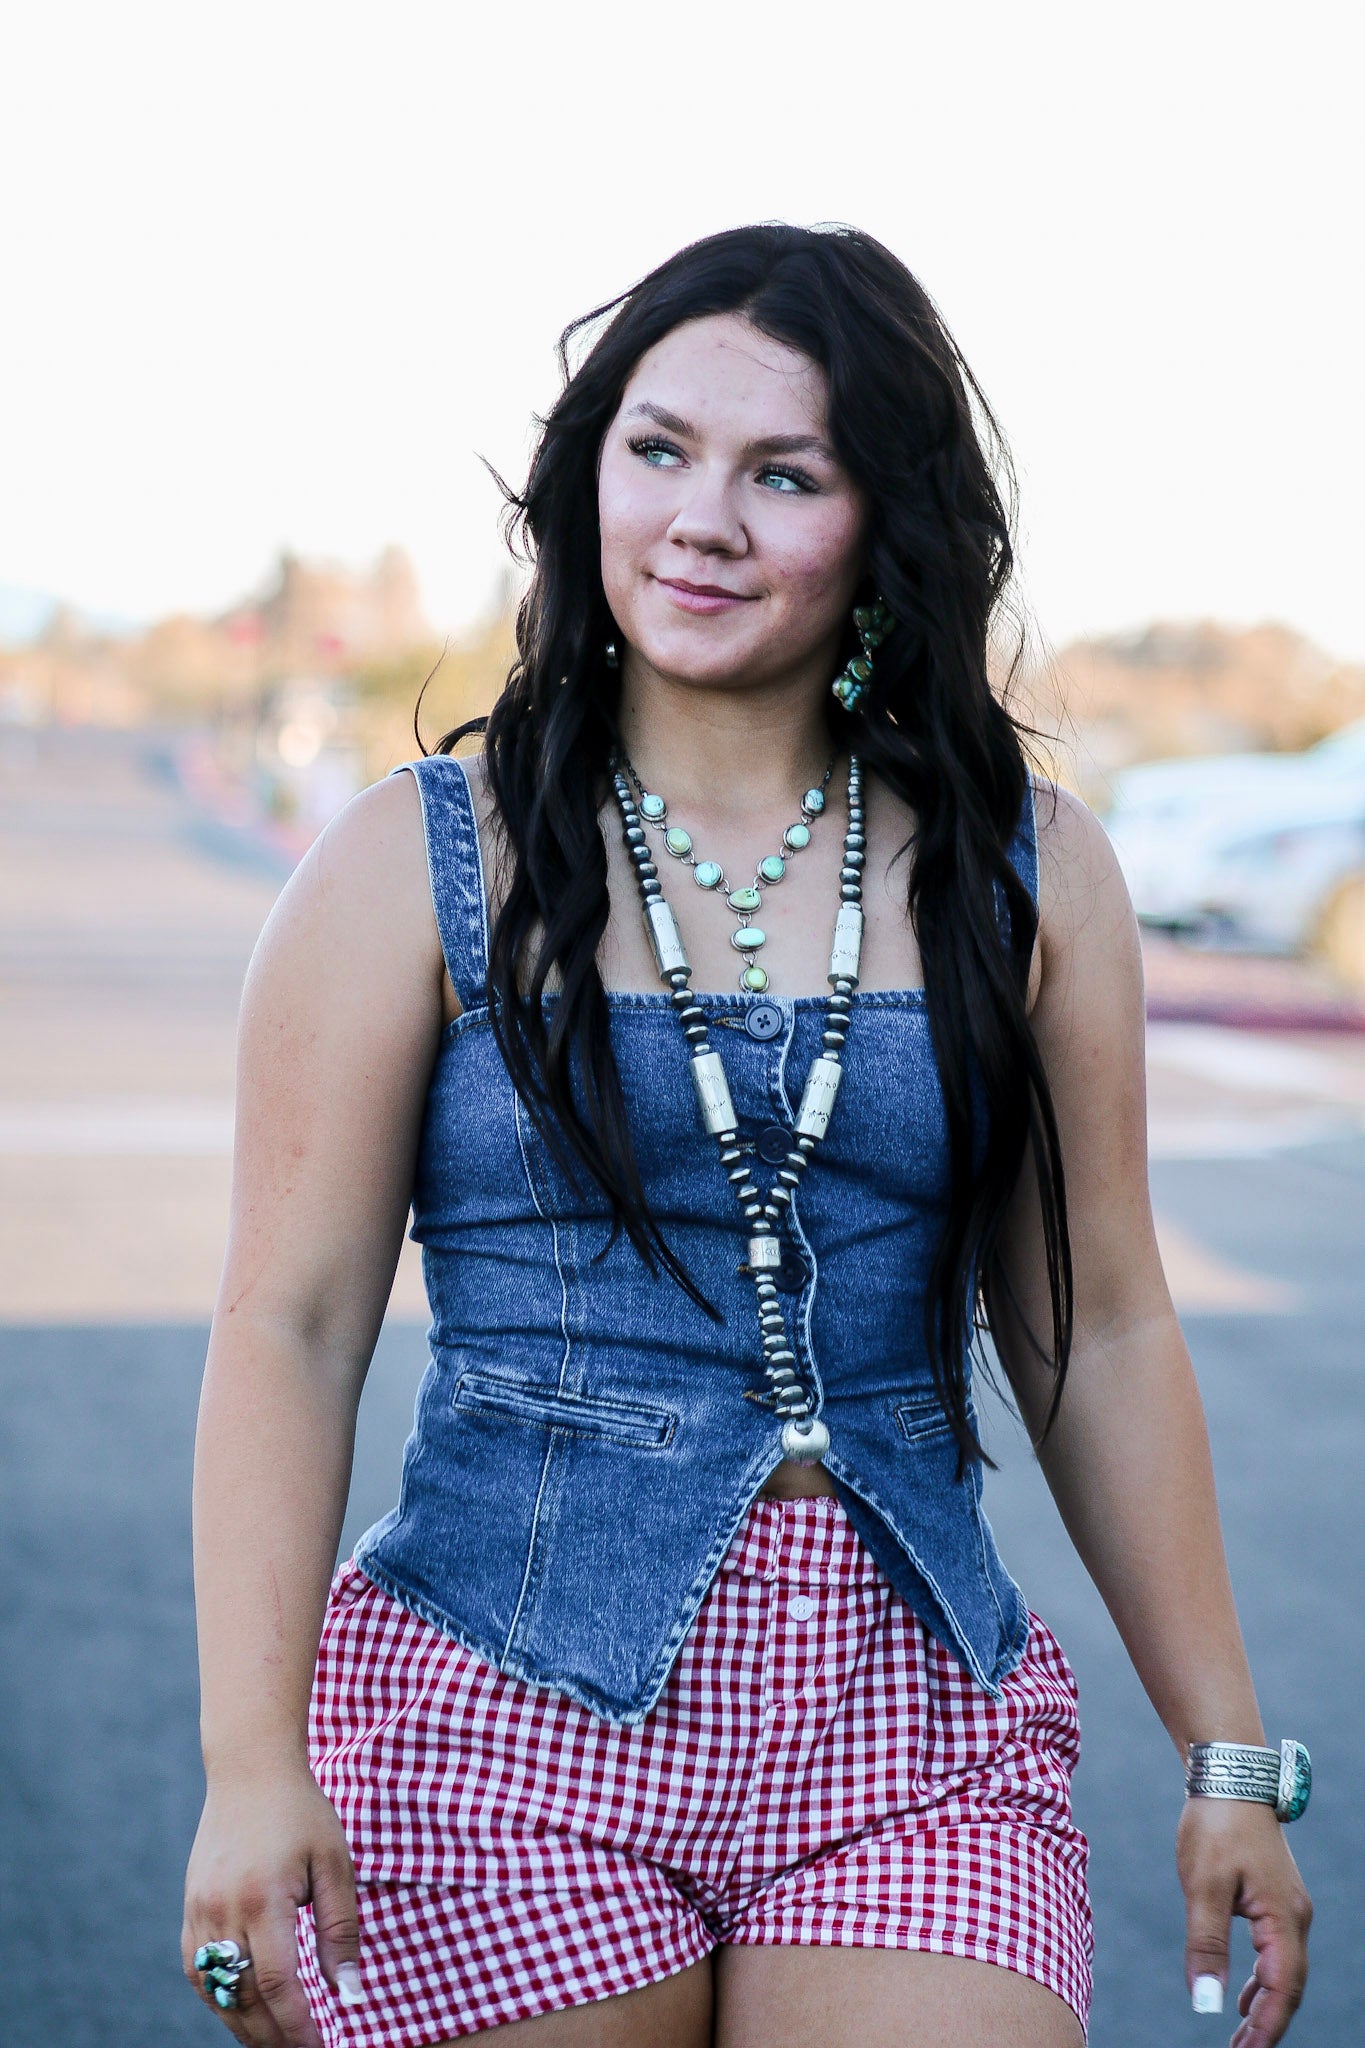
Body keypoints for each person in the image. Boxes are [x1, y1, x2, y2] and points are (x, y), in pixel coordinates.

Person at [182, 224, 1312, 2048]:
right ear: (588, 481)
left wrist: (1227, 1752)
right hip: (503, 1706)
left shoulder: (1028, 870)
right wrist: (251, 1763)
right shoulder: (414, 863)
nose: (700, 518)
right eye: (659, 449)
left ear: (881, 526)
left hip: (908, 1728)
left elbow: (1093, 1326)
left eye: (781, 474)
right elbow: (289, 1328)